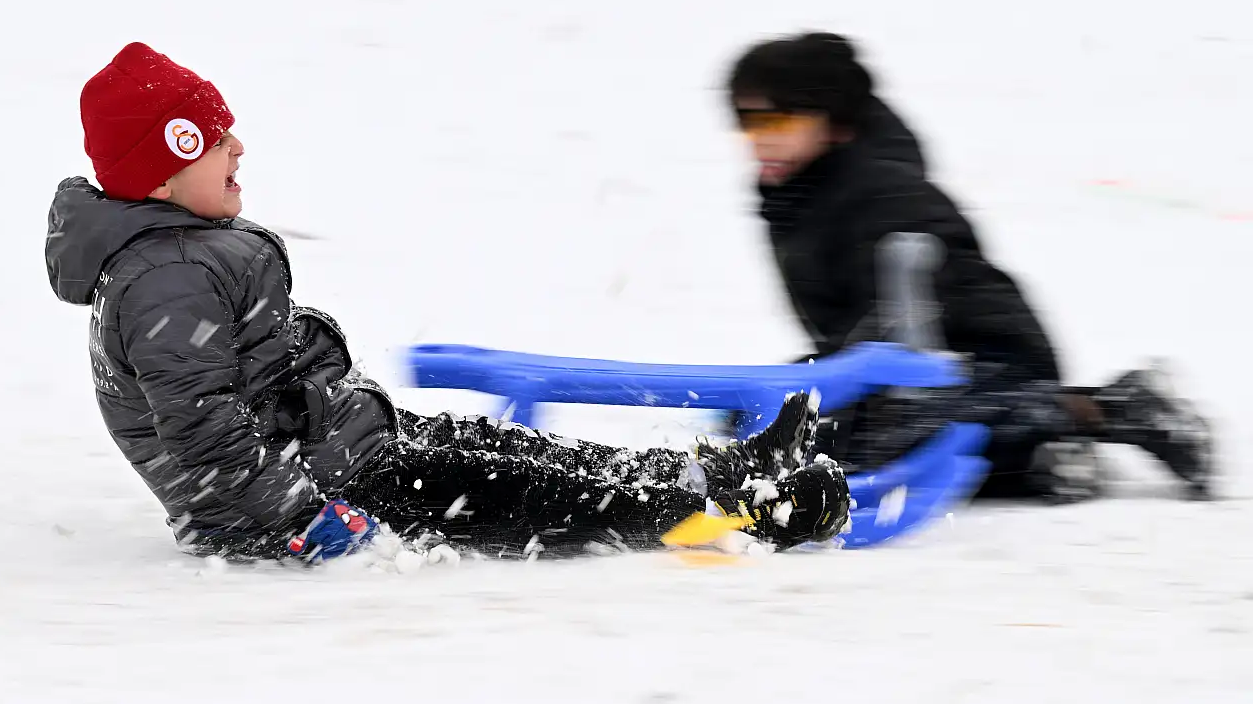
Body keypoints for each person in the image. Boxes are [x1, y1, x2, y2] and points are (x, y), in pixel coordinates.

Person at [45, 42, 850, 563]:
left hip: (341, 446)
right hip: (318, 494)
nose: (237, 147)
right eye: (216, 138)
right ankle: (754, 512)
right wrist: (299, 518)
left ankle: (723, 469)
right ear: (164, 170)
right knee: (543, 498)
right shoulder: (165, 278)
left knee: (520, 454)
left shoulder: (178, 258)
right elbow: (202, 430)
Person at [722, 32, 1215, 501]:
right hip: (884, 361)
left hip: (983, 357)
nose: (759, 137)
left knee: (883, 431)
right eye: (748, 121)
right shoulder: (794, 195)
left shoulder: (882, 190)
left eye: (779, 121)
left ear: (829, 119)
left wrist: (838, 392)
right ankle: (1040, 460)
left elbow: (903, 318)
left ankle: (1113, 410)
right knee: (761, 414)